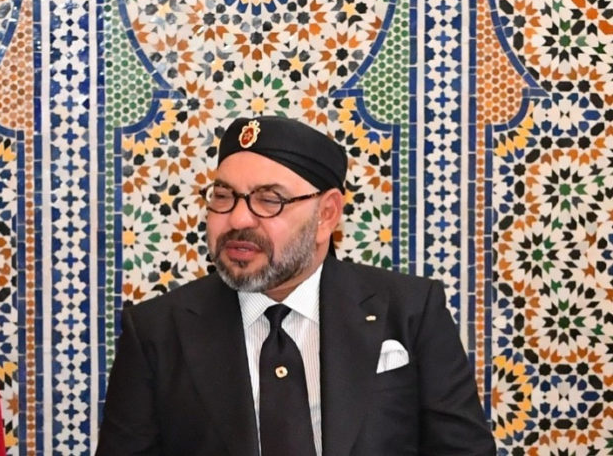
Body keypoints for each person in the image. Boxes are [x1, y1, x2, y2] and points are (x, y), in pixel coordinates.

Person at [96, 116, 496, 455]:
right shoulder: (156, 332)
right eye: (223, 196)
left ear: (327, 214)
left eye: (269, 200)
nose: (238, 219)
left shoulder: (411, 311)